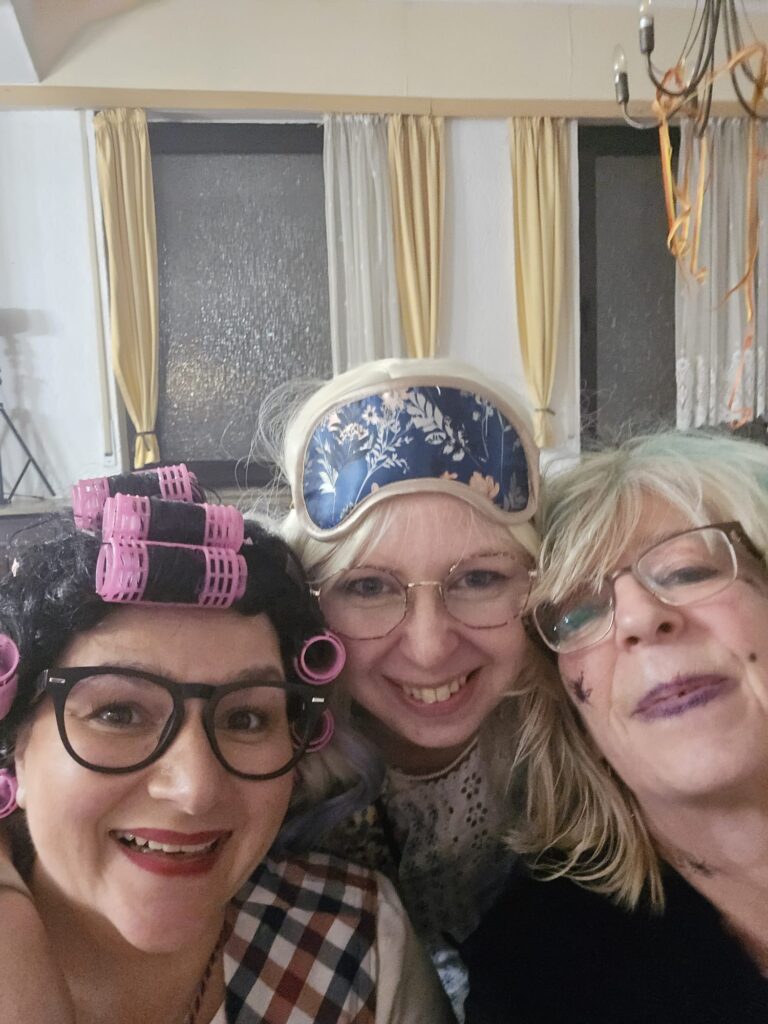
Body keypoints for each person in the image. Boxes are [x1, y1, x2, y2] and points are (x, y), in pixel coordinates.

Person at [0, 467, 450, 1024]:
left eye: (245, 718)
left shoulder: (360, 946)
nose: (195, 788)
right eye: (118, 713)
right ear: (17, 744)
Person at [265, 358, 551, 1015]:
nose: (429, 648)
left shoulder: (591, 736)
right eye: (368, 587)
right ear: (312, 607)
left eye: (479, 579)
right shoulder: (267, 762)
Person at [463, 431, 768, 1024]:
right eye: (579, 613)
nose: (638, 618)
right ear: (573, 711)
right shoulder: (536, 970)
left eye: (686, 571)